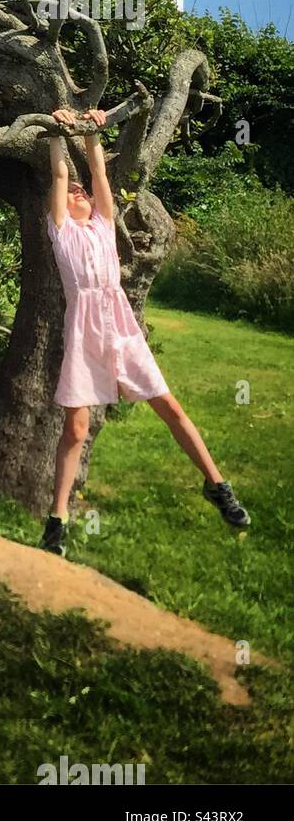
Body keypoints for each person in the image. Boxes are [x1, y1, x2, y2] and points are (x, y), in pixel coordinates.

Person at [40, 107, 250, 557]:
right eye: (73, 191)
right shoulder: (62, 233)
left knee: (168, 404)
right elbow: (60, 176)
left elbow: (97, 174)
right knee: (75, 430)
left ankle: (216, 483)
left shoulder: (100, 224)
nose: (79, 190)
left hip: (120, 323)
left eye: (83, 191)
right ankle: (56, 520)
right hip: (83, 330)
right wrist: (57, 133)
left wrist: (94, 133)